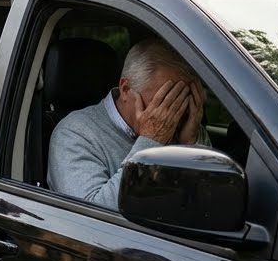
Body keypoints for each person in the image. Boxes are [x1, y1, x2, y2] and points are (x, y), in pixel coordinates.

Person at [46, 39, 207, 209]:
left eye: (182, 101)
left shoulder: (186, 127)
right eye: (164, 102)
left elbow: (209, 205)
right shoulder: (75, 134)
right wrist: (151, 143)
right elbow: (94, 216)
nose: (174, 115)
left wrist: (190, 146)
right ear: (126, 89)